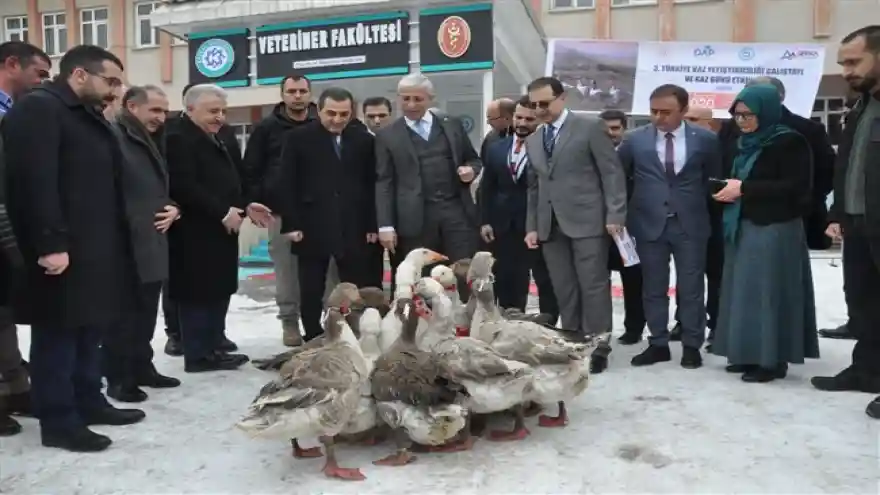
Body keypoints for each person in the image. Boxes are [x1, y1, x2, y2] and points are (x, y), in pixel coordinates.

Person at [3, 45, 146, 452]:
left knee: (89, 332)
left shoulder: (85, 116)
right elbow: (33, 183)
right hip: (61, 251)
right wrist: (49, 243)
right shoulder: (39, 110)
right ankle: (59, 420)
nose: (116, 91)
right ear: (80, 75)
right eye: (111, 82)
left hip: (96, 249)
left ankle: (89, 400)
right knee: (59, 338)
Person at [710, 83, 819, 382]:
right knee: (744, 292)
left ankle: (773, 360)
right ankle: (747, 353)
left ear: (767, 112)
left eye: (749, 115)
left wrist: (743, 188)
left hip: (776, 227)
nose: (742, 121)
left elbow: (796, 188)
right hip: (744, 224)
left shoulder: (789, 142)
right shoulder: (743, 143)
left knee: (770, 293)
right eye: (738, 115)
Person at [523, 76, 626, 372]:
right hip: (549, 225)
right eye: (534, 104)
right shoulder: (533, 139)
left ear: (562, 98)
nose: (540, 109)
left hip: (589, 221)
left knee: (592, 284)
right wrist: (532, 226)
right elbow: (534, 187)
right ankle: (574, 340)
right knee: (564, 287)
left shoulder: (589, 128)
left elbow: (611, 173)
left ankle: (598, 344)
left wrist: (615, 215)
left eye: (545, 103)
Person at [618, 84, 721, 369]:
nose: (659, 118)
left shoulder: (706, 140)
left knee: (691, 287)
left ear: (684, 110)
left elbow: (713, 179)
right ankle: (658, 343)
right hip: (647, 223)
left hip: (691, 223)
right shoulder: (634, 140)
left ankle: (691, 345)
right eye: (654, 111)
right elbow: (619, 178)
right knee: (653, 287)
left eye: (666, 112)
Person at [242, 73, 338, 347]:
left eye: (302, 91)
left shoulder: (323, 124)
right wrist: (255, 201)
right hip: (281, 212)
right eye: (292, 91)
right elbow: (251, 170)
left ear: (310, 94)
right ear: (282, 94)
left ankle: (327, 322)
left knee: (326, 272)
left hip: (321, 213)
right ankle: (289, 322)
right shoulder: (266, 128)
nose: (297, 96)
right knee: (287, 272)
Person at [165, 84, 254, 373]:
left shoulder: (221, 135)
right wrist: (221, 211)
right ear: (190, 109)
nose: (220, 117)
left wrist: (246, 205)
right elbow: (184, 185)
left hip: (225, 227)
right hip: (195, 230)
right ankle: (198, 354)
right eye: (213, 111)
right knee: (198, 292)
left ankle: (214, 344)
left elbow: (235, 176)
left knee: (220, 287)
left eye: (223, 111)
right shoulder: (177, 137)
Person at [279, 87, 381, 341]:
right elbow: (287, 182)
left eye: (344, 114)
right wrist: (290, 223)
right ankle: (313, 334)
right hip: (311, 224)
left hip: (354, 225)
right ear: (319, 110)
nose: (337, 119)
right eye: (331, 113)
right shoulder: (298, 138)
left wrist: (372, 225)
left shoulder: (364, 140)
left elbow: (371, 184)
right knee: (311, 286)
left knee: (353, 284)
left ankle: (353, 332)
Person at [813, 25, 880, 400]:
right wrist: (838, 212)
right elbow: (848, 165)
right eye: (843, 63)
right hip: (859, 223)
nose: (846, 71)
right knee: (864, 303)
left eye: (854, 61)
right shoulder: (861, 104)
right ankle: (867, 371)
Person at [102, 85, 181, 403]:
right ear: (132, 107)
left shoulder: (149, 138)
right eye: (155, 110)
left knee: (146, 312)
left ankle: (141, 367)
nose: (161, 118)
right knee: (124, 316)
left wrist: (174, 207)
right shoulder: (115, 137)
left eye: (164, 111)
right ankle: (120, 378)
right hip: (126, 243)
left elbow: (157, 187)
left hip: (151, 239)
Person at [375, 73, 482, 282]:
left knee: (462, 273)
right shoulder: (387, 135)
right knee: (422, 280)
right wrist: (385, 225)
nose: (411, 104)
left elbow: (473, 159)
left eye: (418, 99)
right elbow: (384, 182)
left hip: (456, 213)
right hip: (415, 219)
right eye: (405, 99)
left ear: (430, 99)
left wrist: (471, 170)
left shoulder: (451, 124)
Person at [0, 40, 50, 437]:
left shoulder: (13, 112)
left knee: (4, 316)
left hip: (12, 233)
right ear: (12, 64)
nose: (41, 82)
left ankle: (15, 389)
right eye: (39, 73)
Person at [479, 95, 558, 321]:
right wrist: (485, 220)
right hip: (504, 226)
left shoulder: (549, 148)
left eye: (529, 119)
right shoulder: (496, 148)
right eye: (519, 117)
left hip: (539, 224)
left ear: (539, 121)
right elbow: (487, 187)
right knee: (506, 278)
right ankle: (509, 324)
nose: (523, 123)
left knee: (545, 280)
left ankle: (548, 326)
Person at [667, 105, 725, 350]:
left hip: (716, 219)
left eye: (692, 118)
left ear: (710, 124)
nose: (686, 122)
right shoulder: (676, 147)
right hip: (685, 220)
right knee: (687, 275)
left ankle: (717, 325)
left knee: (716, 275)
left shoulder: (717, 147)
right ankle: (685, 321)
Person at [599, 109, 646, 348]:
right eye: (605, 128)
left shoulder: (635, 154)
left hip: (630, 228)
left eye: (615, 128)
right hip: (597, 228)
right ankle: (600, 329)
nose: (610, 133)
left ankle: (634, 328)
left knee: (633, 279)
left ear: (624, 129)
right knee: (598, 280)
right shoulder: (590, 153)